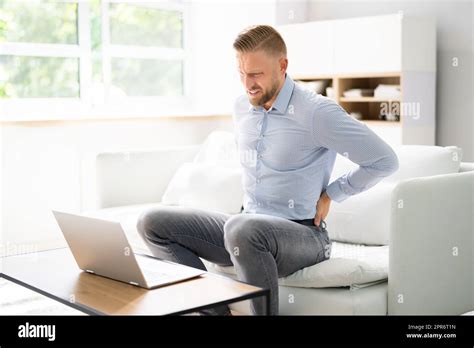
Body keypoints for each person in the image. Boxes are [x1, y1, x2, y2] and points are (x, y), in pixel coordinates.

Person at [136, 25, 399, 315]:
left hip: (303, 237)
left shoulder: (316, 112)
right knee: (152, 221)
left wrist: (332, 194)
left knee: (242, 229)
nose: (247, 84)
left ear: (282, 65)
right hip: (246, 229)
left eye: (256, 74)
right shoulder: (241, 107)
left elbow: (384, 160)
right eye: (241, 73)